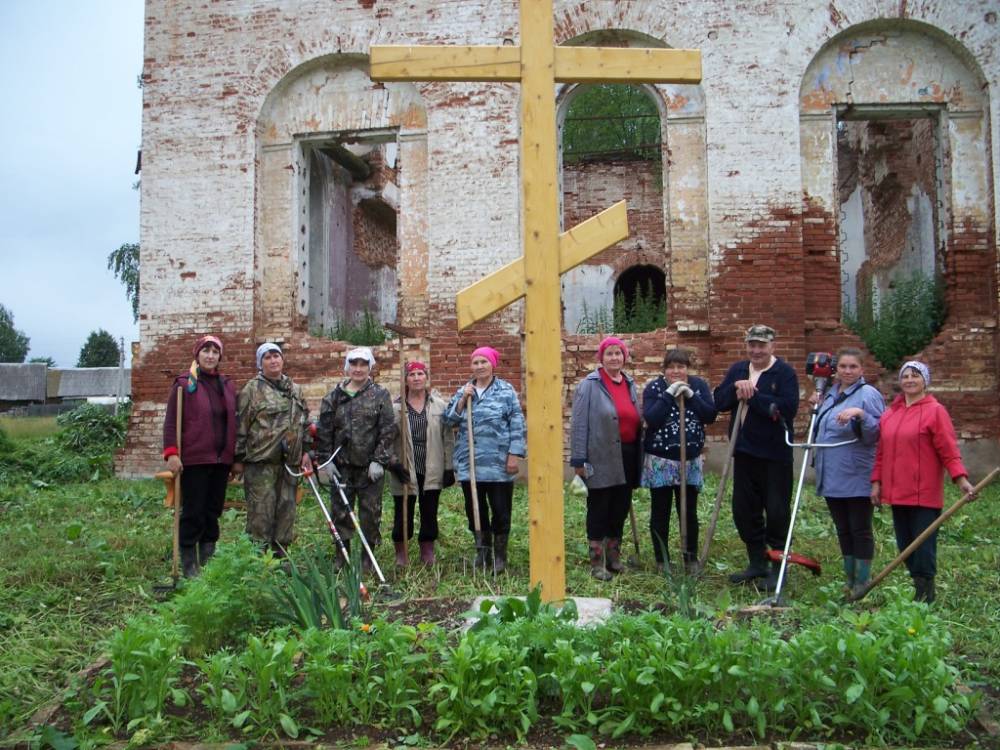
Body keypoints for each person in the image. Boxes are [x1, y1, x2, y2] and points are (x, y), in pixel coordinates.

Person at [871, 361, 976, 603]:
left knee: (923, 546)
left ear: (924, 381)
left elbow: (948, 450)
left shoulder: (935, 411)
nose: (909, 380)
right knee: (904, 544)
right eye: (905, 376)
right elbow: (881, 453)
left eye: (915, 376)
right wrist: (876, 483)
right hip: (897, 492)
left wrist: (961, 480)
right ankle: (917, 585)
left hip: (923, 492)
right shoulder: (890, 415)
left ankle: (926, 593)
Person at [714, 324, 799, 591]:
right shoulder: (739, 369)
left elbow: (786, 409)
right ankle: (757, 562)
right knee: (743, 511)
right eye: (752, 345)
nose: (756, 350)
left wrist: (754, 396)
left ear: (772, 346)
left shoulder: (783, 373)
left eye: (761, 345)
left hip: (774, 456)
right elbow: (719, 401)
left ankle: (778, 568)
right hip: (743, 453)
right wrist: (735, 389)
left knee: (776, 512)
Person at [810, 347, 884, 597]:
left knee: (859, 528)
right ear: (836, 370)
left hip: (856, 472)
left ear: (862, 369)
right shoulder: (830, 394)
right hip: (831, 473)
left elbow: (877, 434)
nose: (847, 371)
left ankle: (863, 581)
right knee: (842, 528)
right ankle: (849, 579)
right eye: (843, 367)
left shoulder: (868, 394)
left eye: (853, 367)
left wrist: (860, 414)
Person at [444, 346, 526, 573]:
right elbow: (448, 421)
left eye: (484, 362)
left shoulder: (505, 391)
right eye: (476, 362)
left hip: (499, 464)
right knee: (475, 510)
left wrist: (514, 455)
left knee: (501, 510)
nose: (479, 366)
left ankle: (500, 555)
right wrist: (462, 401)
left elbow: (517, 423)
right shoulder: (465, 390)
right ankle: (483, 552)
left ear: (493, 365)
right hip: (471, 465)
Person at [162, 335, 238, 578]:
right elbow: (171, 423)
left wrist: (234, 457)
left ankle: (208, 557)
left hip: (220, 460)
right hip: (195, 459)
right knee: (193, 510)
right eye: (206, 351)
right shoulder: (184, 384)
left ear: (220, 357)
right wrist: (172, 453)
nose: (210, 356)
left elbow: (233, 423)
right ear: (197, 354)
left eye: (215, 352)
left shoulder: (227, 385)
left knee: (213, 511)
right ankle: (189, 562)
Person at [316, 347, 396, 571]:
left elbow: (388, 429)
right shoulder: (334, 397)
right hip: (341, 467)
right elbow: (324, 431)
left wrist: (379, 460)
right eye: (354, 364)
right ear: (347, 367)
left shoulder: (380, 395)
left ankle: (368, 557)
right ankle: (342, 556)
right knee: (340, 512)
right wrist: (326, 461)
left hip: (369, 468)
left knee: (370, 513)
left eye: (363, 364)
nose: (358, 369)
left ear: (370, 367)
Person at [569, 336, 642, 580]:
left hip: (628, 455)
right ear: (601, 358)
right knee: (599, 508)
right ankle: (597, 563)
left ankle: (614, 558)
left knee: (620, 507)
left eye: (618, 353)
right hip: (599, 456)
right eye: (609, 353)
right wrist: (579, 460)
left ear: (625, 357)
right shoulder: (589, 385)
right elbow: (579, 424)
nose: (614, 358)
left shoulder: (630, 383)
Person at [232, 343, 312, 558]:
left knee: (286, 511)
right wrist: (238, 458)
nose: (273, 360)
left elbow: (304, 422)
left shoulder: (295, 390)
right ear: (261, 363)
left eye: (276, 355)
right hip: (261, 463)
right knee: (261, 514)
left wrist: (306, 451)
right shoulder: (252, 389)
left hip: (290, 464)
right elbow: (241, 425)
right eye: (267, 357)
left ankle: (281, 557)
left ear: (282, 359)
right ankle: (259, 560)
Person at [642, 348, 717, 572]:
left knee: (688, 511)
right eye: (672, 367)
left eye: (681, 367)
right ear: (664, 369)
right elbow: (652, 418)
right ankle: (661, 560)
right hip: (661, 461)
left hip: (689, 461)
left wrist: (691, 397)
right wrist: (669, 395)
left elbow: (709, 415)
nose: (676, 371)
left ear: (687, 368)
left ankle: (690, 557)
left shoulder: (699, 386)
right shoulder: (654, 388)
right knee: (660, 511)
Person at [388, 360, 455, 567]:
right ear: (406, 380)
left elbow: (448, 437)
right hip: (405, 467)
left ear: (426, 378)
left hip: (431, 465)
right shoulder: (396, 408)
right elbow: (386, 438)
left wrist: (449, 466)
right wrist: (392, 463)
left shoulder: (439, 405)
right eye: (412, 375)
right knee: (402, 511)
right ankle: (402, 552)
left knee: (429, 510)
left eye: (420, 374)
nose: (416, 378)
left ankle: (427, 549)